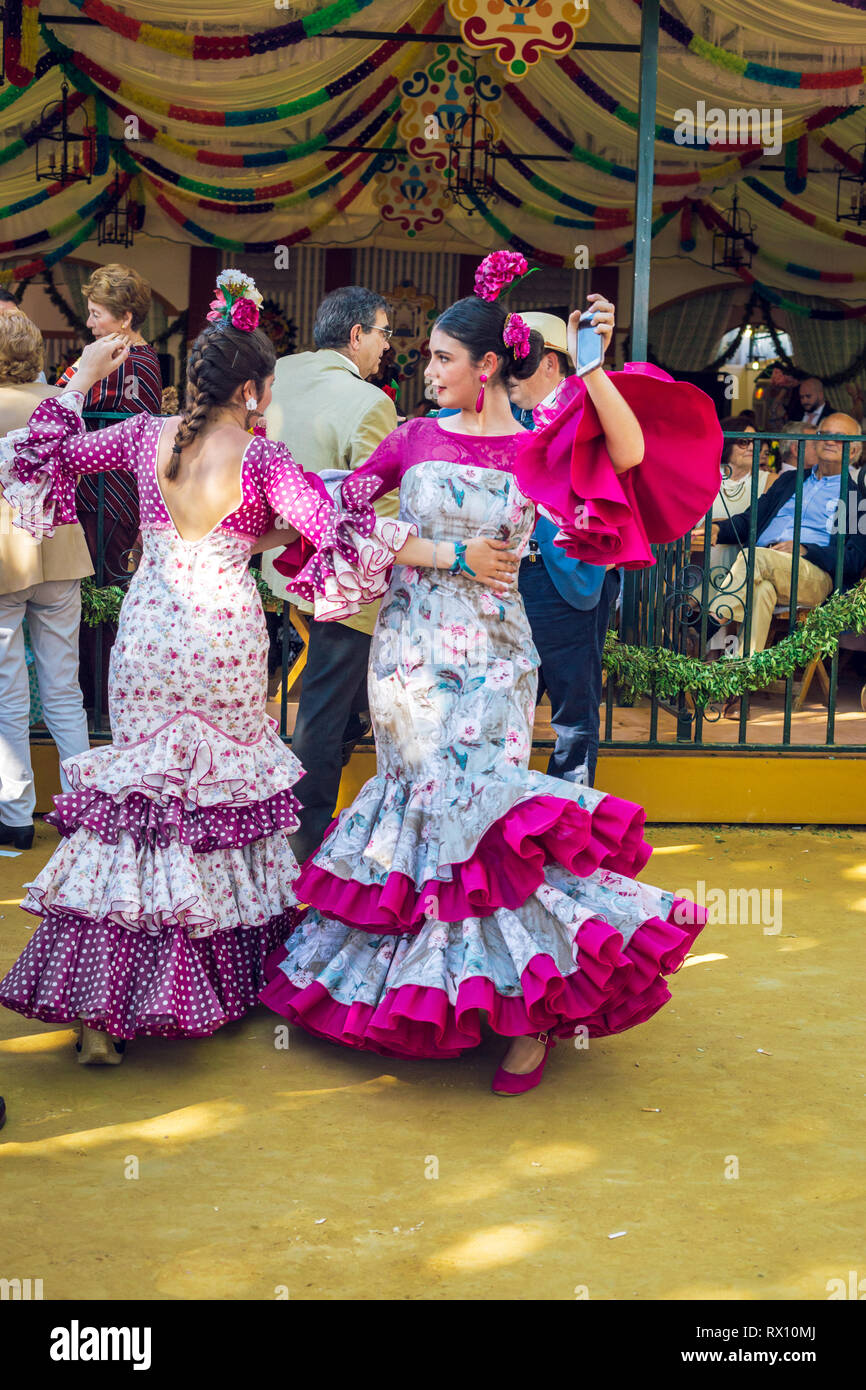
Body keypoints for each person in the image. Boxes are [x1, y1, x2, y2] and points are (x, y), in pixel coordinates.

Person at [259, 255, 723, 1095]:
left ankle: (531, 1015)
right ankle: (429, 995)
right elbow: (340, 516)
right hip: (405, 655)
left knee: (484, 819)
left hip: (493, 657)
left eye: (441, 358)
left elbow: (630, 449)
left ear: (488, 370)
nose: (424, 370)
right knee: (420, 809)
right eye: (425, 355)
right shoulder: (410, 437)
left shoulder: (540, 443)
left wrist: (589, 366)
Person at [0, 270, 427, 1064]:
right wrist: (404, 470)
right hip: (225, 637)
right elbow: (333, 525)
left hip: (151, 633)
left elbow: (38, 450)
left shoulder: (140, 436)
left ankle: (101, 1006)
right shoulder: (261, 459)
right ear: (257, 389)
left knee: (140, 804)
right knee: (216, 810)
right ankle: (207, 983)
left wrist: (85, 373)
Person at [259, 286, 401, 863]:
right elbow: (380, 511)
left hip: (274, 562)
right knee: (323, 704)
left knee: (311, 699)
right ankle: (306, 834)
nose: (388, 347)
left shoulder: (276, 376)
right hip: (341, 580)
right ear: (356, 335)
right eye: (385, 333)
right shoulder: (368, 402)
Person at [506, 308, 618, 786]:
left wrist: (596, 360)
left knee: (573, 708)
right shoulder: (498, 411)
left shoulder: (589, 405)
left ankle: (570, 816)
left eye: (522, 359)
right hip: (504, 578)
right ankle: (502, 808)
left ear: (552, 362)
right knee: (503, 699)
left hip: (571, 574)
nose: (510, 371)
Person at [0, 312, 92, 851]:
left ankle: (13, 816)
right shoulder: (58, 405)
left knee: (7, 693)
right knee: (64, 690)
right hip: (60, 551)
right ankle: (81, 811)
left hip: (5, 560)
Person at [57, 265, 163, 715]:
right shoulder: (143, 357)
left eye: (96, 313)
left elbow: (60, 401)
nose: (89, 322)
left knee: (98, 603)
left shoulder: (120, 361)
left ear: (124, 319)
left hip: (106, 500)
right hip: (117, 498)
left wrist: (79, 371)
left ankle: (98, 704)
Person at [706, 413, 865, 656]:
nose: (830, 441)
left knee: (755, 556)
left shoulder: (852, 496)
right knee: (761, 592)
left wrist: (805, 549)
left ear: (853, 452)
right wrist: (718, 529)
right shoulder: (791, 480)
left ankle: (709, 621)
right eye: (824, 435)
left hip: (812, 574)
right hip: (764, 565)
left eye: (840, 438)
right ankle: (738, 675)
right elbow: (752, 519)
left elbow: (852, 559)